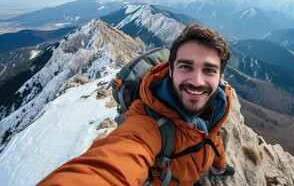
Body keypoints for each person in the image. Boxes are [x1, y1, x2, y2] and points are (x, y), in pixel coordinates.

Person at [37, 24, 235, 185]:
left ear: (219, 77)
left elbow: (213, 138)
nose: (197, 81)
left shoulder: (215, 106)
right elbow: (113, 163)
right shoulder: (148, 124)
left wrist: (219, 166)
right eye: (186, 66)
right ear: (171, 70)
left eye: (209, 70)